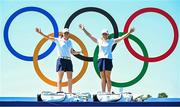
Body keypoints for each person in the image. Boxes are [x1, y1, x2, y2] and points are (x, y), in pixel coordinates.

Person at [79, 24, 135, 93]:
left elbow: (121, 38)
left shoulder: (111, 41)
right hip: (100, 60)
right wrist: (83, 29)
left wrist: (129, 32)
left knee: (108, 77)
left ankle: (108, 92)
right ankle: (103, 92)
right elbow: (90, 35)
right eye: (103, 34)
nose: (104, 35)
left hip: (108, 59)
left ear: (107, 34)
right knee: (102, 77)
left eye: (105, 34)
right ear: (101, 35)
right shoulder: (99, 41)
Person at [36, 28, 81, 93]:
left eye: (67, 33)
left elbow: (72, 52)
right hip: (61, 59)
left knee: (70, 78)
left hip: (68, 60)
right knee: (60, 78)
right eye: (65, 33)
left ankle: (70, 92)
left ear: (69, 34)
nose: (66, 34)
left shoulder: (70, 42)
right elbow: (48, 37)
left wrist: (80, 52)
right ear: (63, 34)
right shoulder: (58, 40)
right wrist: (40, 33)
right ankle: (59, 91)